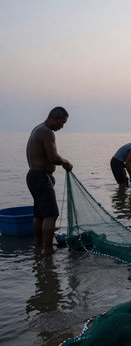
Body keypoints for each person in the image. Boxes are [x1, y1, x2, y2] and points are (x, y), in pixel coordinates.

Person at [26, 107, 73, 255]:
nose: (62, 126)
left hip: (33, 176)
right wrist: (66, 162)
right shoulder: (47, 132)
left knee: (39, 214)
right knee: (51, 214)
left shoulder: (37, 129)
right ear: (55, 119)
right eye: (62, 123)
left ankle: (39, 245)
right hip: (40, 177)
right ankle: (48, 251)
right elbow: (53, 157)